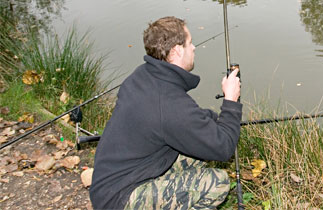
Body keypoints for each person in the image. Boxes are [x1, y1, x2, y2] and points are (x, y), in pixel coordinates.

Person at [90, 16, 242, 209]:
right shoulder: (169, 103)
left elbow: (183, 118)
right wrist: (231, 101)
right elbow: (223, 147)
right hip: (120, 199)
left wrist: (214, 121)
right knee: (216, 182)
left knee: (198, 153)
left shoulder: (142, 75)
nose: (194, 47)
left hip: (110, 184)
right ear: (178, 51)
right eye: (189, 43)